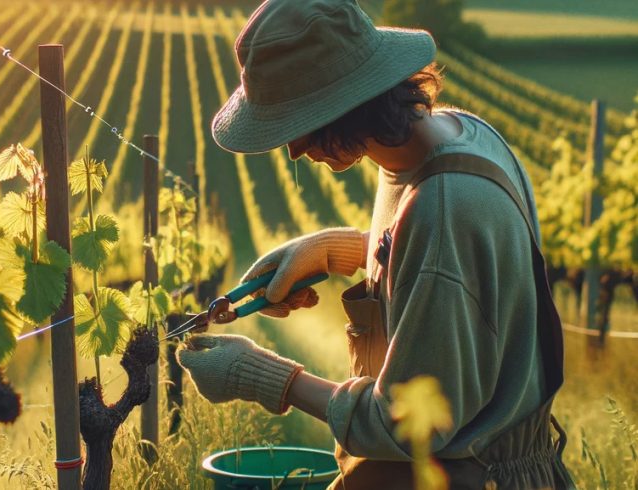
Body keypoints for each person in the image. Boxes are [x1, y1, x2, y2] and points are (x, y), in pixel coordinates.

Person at [174, 0, 576, 488]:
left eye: (298, 124)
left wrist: (260, 377)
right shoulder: (455, 135)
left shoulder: (445, 204)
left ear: (349, 103)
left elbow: (406, 427)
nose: (295, 149)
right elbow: (449, 271)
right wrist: (335, 250)